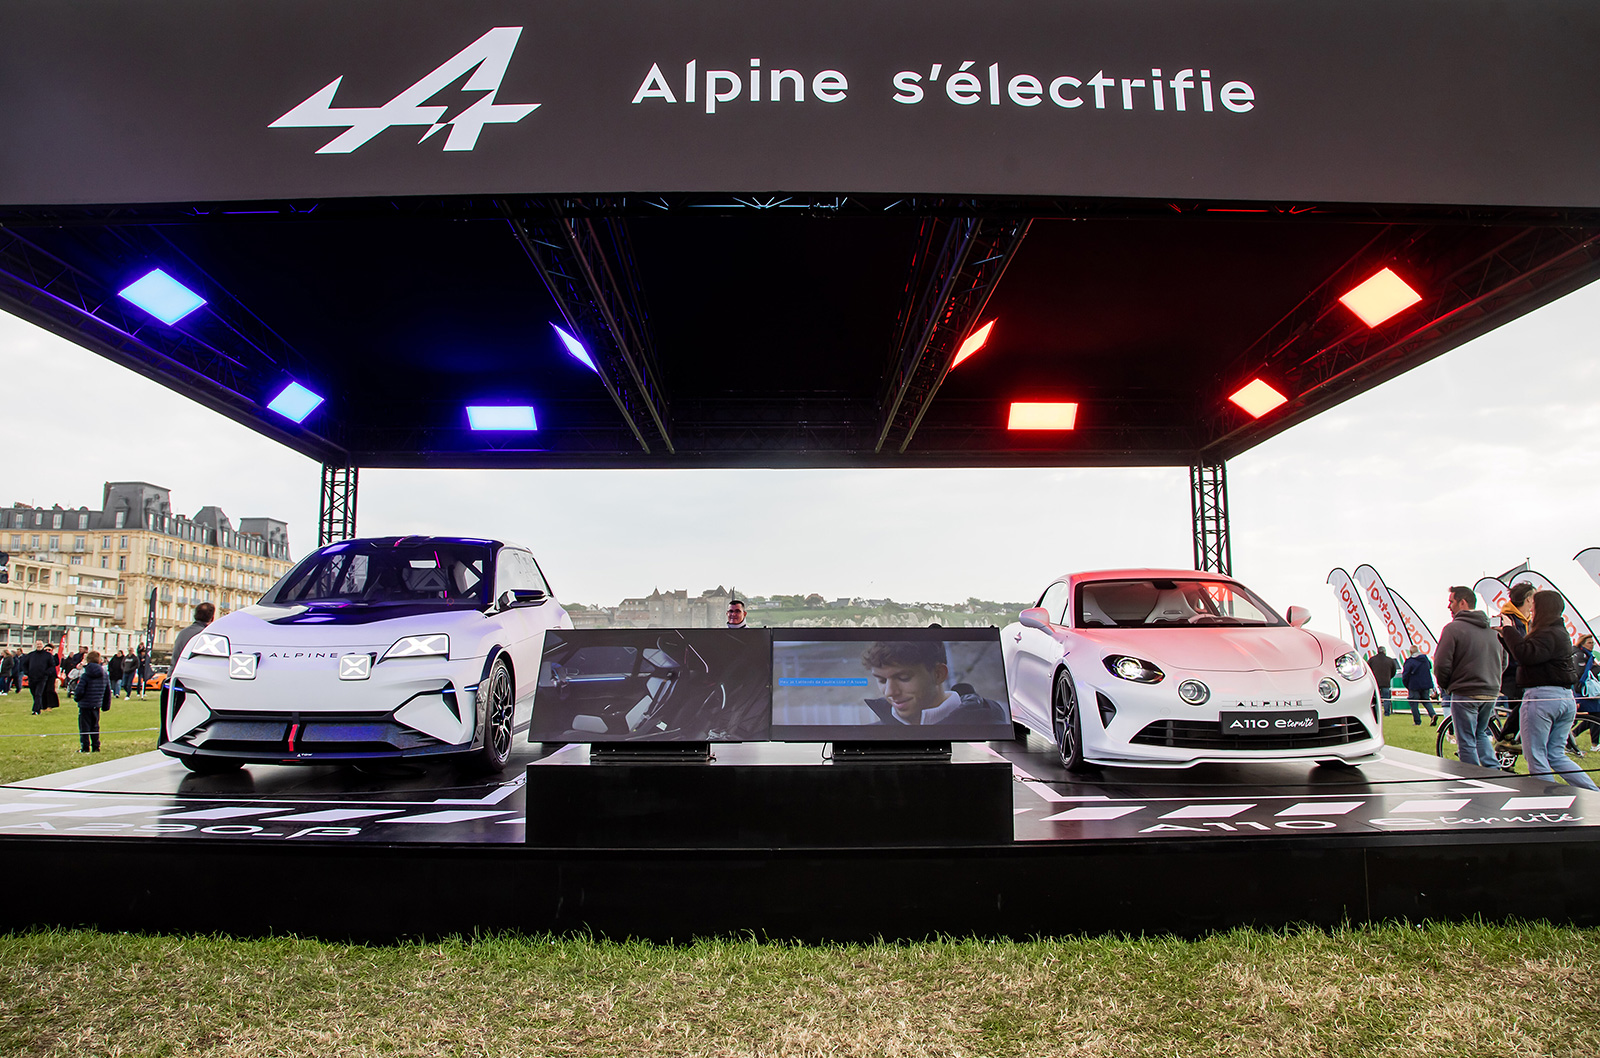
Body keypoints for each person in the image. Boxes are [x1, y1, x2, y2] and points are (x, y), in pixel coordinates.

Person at [1499, 589, 1598, 791]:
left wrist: (1509, 630)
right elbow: (1530, 656)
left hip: (1541, 698)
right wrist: (1507, 637)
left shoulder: (1545, 633)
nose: (1531, 611)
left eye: (1533, 607)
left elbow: (1525, 655)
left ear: (1541, 608)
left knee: (1535, 755)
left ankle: (1549, 802)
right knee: (1556, 754)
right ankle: (1594, 793)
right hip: (1564, 697)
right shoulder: (1559, 632)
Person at [1434, 586, 1506, 769]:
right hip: (1490, 691)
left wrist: (1447, 685)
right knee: (1480, 732)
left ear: (1462, 602)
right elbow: (1503, 661)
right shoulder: (1494, 631)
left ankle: (1473, 778)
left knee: (1465, 739)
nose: (1448, 606)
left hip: (1465, 692)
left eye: (1451, 601)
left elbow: (1441, 664)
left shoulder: (1453, 629)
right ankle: (1493, 770)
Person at [859, 640, 1008, 727]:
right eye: (882, 680)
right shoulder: (868, 733)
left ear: (938, 674)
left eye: (903, 677)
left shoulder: (989, 726)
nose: (890, 692)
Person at [1496, 581, 1536, 748]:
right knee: (1527, 703)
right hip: (1512, 674)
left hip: (1525, 672)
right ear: (1528, 599)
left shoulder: (1529, 621)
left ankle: (1509, 746)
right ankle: (1504, 738)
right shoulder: (1507, 620)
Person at [70, 649, 110, 752]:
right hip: (96, 704)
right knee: (95, 726)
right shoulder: (104, 675)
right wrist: (106, 705)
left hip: (85, 704)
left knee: (84, 727)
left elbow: (79, 690)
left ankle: (85, 747)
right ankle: (96, 746)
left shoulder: (86, 675)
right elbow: (107, 691)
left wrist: (76, 698)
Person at [1573, 633, 1599, 749]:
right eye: (1589, 643)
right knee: (1596, 715)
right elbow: (1580, 674)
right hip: (1582, 692)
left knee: (1594, 716)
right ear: (1582, 643)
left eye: (1592, 643)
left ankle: (1573, 735)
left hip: (1587, 692)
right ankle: (1594, 744)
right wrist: (1596, 667)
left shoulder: (1589, 656)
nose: (1592, 645)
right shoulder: (1580, 655)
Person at [1401, 647, 1437, 724]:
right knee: (1426, 700)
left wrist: (1407, 685)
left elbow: (1405, 675)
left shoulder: (1409, 662)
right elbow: (1430, 667)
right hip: (1426, 684)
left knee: (1413, 703)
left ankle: (1417, 721)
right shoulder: (1425, 659)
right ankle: (1433, 715)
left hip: (1414, 685)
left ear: (1410, 652)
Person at [24, 641, 59, 714]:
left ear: (43, 645)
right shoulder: (31, 655)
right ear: (35, 645)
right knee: (34, 693)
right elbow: (24, 664)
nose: (39, 645)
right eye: (37, 644)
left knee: (38, 693)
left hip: (42, 678)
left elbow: (52, 666)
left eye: (40, 644)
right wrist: (27, 672)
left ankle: (36, 710)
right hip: (32, 677)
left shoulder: (47, 655)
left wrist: (46, 673)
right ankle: (39, 705)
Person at [1367, 647, 1398, 716]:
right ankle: (1387, 713)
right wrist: (1389, 677)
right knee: (1386, 698)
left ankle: (1375, 713)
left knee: (1374, 698)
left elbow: (1368, 670)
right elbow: (1393, 671)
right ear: (1384, 651)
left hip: (1375, 682)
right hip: (1386, 682)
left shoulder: (1372, 660)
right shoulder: (1390, 660)